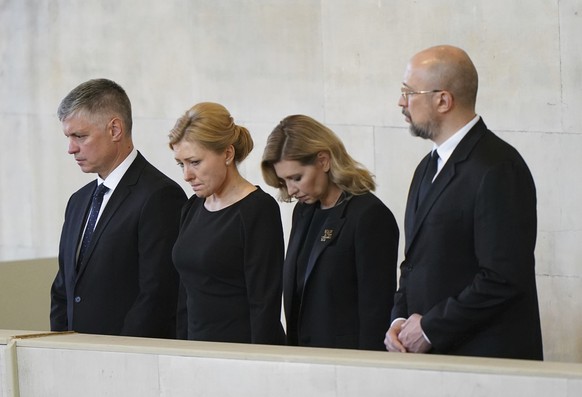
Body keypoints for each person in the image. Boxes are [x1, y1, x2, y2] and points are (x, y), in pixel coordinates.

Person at [384, 45, 543, 360]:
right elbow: (414, 262)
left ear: (443, 100)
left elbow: (503, 278)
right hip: (433, 359)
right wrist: (400, 320)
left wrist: (430, 327)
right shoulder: (427, 166)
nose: (401, 102)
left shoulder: (497, 167)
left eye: (409, 92)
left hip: (483, 361)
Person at [50, 78, 186, 337]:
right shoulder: (78, 201)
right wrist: (60, 346)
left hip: (129, 360)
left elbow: (157, 295)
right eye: (68, 137)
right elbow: (63, 288)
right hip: (73, 358)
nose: (71, 148)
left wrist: (119, 356)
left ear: (115, 130)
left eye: (80, 136)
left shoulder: (160, 196)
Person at [262, 115, 399, 350]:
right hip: (305, 361)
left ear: (323, 161)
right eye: (285, 181)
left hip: (348, 365)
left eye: (297, 178)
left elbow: (375, 313)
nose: (292, 190)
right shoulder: (303, 212)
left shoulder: (369, 216)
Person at [169, 102, 285, 345]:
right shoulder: (192, 207)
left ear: (228, 154)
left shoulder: (257, 210)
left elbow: (264, 303)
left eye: (195, 162)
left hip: (240, 354)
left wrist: (258, 363)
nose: (186, 175)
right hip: (195, 351)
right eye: (182, 164)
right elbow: (183, 295)